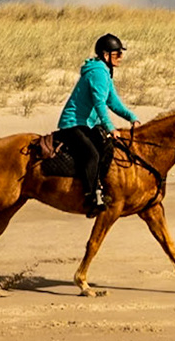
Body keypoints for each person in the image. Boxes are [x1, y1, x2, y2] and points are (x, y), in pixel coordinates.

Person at [55, 33, 136, 215]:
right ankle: (91, 196)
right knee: (91, 154)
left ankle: (100, 185)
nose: (121, 58)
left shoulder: (105, 72)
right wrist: (110, 128)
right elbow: (99, 103)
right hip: (73, 123)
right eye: (118, 54)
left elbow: (113, 101)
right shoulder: (98, 73)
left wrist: (132, 117)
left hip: (88, 124)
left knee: (108, 147)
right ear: (106, 55)